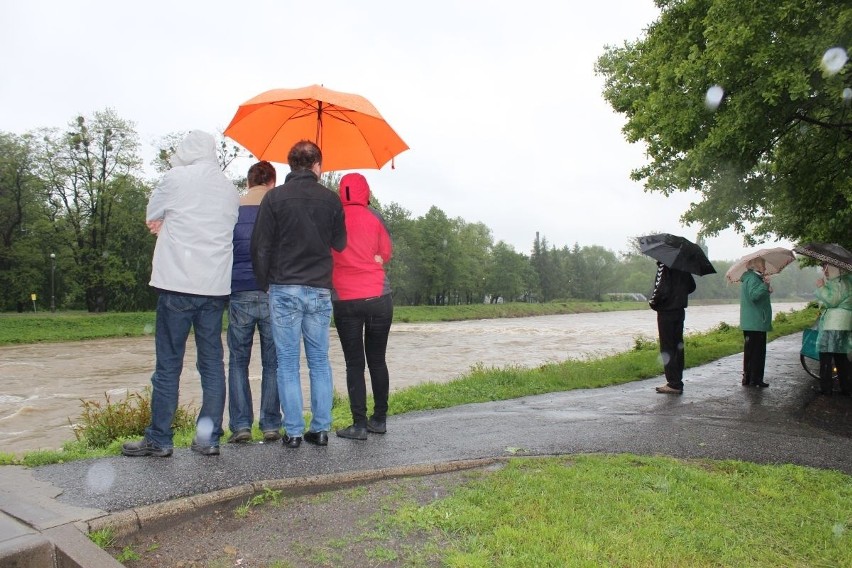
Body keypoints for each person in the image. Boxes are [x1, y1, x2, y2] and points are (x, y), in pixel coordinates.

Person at [123, 131, 239, 457]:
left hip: (177, 285)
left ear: (187, 151)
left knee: (168, 366)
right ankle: (208, 439)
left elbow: (152, 213)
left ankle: (159, 440)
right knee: (213, 366)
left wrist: (164, 220)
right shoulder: (229, 189)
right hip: (215, 289)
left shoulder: (175, 177)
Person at [251, 140, 346, 448]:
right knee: (319, 360)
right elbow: (340, 243)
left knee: (287, 361)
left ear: (290, 165)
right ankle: (320, 429)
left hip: (284, 287)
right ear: (317, 165)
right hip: (318, 288)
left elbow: (260, 245)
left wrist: (265, 282)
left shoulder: (274, 197)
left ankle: (292, 432)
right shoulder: (331, 200)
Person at [331, 173, 393, 440]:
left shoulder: (331, 216)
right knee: (377, 360)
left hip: (345, 299)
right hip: (378, 296)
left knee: (354, 364)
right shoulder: (375, 216)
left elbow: (325, 250)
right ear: (365, 192)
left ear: (340, 191)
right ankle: (378, 420)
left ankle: (358, 425)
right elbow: (386, 252)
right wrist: (375, 256)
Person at [226, 161, 282, 444]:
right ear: (272, 182)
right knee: (273, 362)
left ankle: (240, 426)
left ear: (248, 183)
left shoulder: (233, 209)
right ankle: (271, 423)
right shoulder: (278, 209)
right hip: (272, 291)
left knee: (238, 362)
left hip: (239, 292)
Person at [648, 261, 696, 394]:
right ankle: (677, 381)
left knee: (667, 346)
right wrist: (680, 293)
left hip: (666, 310)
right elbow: (692, 286)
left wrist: (653, 302)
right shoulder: (683, 266)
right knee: (677, 345)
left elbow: (660, 288)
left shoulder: (664, 266)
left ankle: (673, 383)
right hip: (680, 310)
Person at [813, 263, 852, 396]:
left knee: (825, 355)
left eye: (827, 268)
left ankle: (826, 388)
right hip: (844, 323)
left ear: (835, 268)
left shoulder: (838, 282)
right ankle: (846, 387)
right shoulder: (847, 281)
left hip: (833, 324)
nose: (825, 271)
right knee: (841, 356)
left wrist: (821, 287)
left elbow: (832, 300)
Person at [739, 258, 772, 388]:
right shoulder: (753, 279)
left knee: (750, 351)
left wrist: (766, 289)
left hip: (750, 321)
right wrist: (765, 286)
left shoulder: (749, 278)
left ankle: (748, 378)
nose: (765, 268)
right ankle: (755, 379)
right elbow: (754, 296)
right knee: (758, 352)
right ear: (756, 266)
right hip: (757, 321)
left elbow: (755, 295)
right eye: (763, 265)